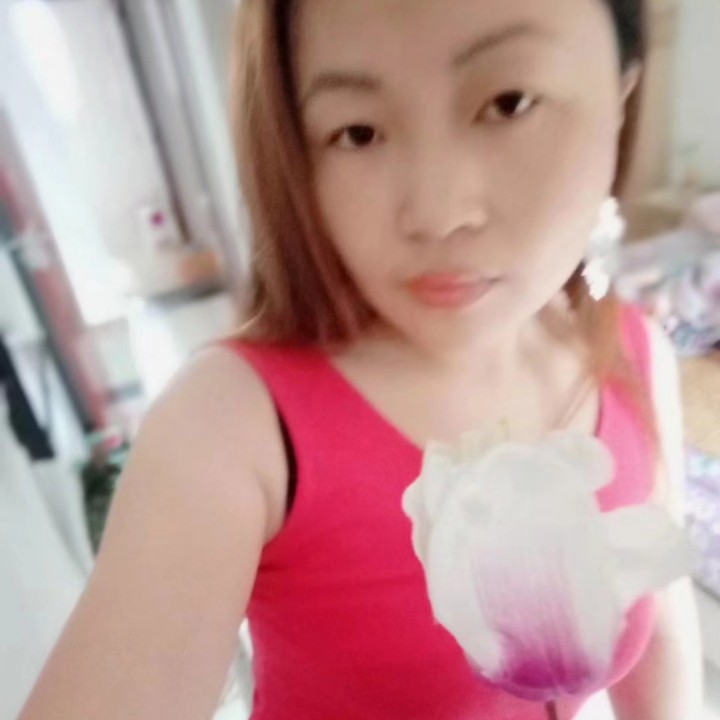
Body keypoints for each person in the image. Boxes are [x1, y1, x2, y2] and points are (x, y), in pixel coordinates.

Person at [19, 0, 703, 718]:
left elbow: (664, 641)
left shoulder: (634, 355)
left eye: (509, 102)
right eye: (358, 132)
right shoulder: (233, 429)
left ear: (622, 90)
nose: (437, 213)